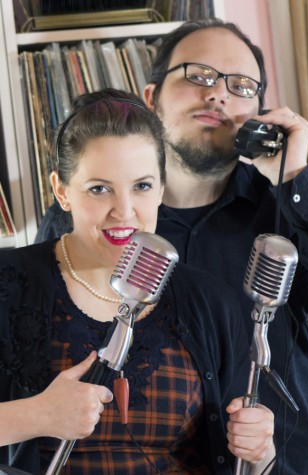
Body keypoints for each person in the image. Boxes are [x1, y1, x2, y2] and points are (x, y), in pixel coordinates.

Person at [35, 19, 308, 475]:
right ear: (151, 99)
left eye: (241, 85)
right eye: (199, 75)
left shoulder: (287, 206)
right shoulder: (90, 218)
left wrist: (295, 180)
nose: (218, 94)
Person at [0, 88, 274, 475]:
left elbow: (252, 465)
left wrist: (260, 450)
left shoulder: (212, 302)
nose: (124, 211)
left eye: (142, 186)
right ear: (61, 191)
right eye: (99, 188)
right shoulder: (8, 283)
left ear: (162, 189)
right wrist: (35, 415)